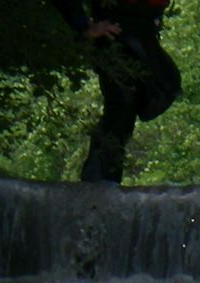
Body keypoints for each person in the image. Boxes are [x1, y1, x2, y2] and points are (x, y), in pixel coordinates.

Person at [49, 0, 182, 184]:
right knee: (123, 103)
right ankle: (98, 178)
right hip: (114, 30)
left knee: (165, 87)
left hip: (143, 30)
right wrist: (84, 26)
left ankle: (103, 175)